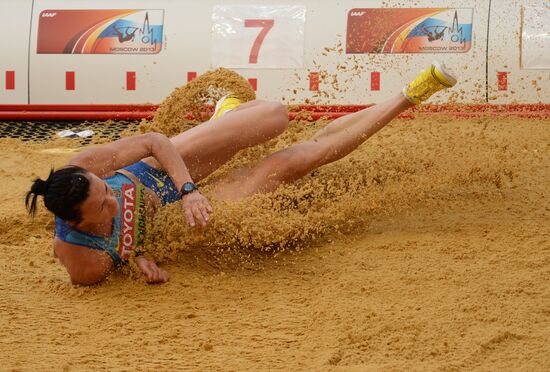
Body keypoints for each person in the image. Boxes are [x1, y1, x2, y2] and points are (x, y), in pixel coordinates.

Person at [26, 61, 457, 286]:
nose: (114, 200)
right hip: (178, 222)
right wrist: (141, 259)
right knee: (292, 163)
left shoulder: (79, 169)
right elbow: (119, 262)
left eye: (109, 191)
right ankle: (410, 94)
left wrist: (188, 187)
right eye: (104, 206)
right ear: (75, 223)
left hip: (160, 173)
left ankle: (222, 123)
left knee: (274, 116)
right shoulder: (82, 262)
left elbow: (155, 141)